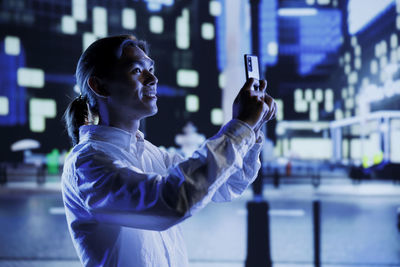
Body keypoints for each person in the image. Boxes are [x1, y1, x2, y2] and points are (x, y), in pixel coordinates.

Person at [62, 34, 276, 267]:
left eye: (151, 69)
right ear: (99, 85)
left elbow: (229, 184)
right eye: (136, 70)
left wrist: (251, 130)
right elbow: (172, 202)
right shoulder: (87, 164)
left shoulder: (151, 153)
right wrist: (241, 126)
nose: (152, 78)